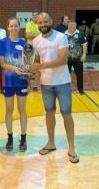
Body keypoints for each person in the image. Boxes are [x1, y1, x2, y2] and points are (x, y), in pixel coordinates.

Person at [29, 12, 79, 164]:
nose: (43, 24)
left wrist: (41, 65)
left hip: (62, 82)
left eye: (45, 21)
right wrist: (34, 79)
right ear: (37, 23)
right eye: (40, 22)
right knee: (49, 113)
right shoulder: (36, 41)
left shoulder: (60, 37)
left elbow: (63, 60)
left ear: (50, 21)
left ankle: (71, 147)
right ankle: (51, 143)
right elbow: (37, 60)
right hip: (46, 84)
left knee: (66, 114)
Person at [0, 17, 28, 152]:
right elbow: (2, 64)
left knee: (22, 110)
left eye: (16, 26)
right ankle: (10, 137)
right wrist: (15, 69)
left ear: (19, 27)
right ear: (7, 27)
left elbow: (27, 61)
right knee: (9, 110)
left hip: (22, 81)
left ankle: (23, 138)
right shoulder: (3, 43)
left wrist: (28, 72)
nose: (13, 28)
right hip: (8, 81)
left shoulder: (24, 42)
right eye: (11, 26)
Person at [65, 21, 87, 95]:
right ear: (68, 26)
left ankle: (80, 89)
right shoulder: (63, 34)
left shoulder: (81, 34)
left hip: (78, 58)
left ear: (76, 26)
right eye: (70, 25)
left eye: (73, 25)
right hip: (66, 59)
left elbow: (84, 45)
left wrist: (84, 55)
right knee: (66, 75)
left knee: (79, 74)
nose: (71, 27)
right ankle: (66, 90)